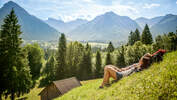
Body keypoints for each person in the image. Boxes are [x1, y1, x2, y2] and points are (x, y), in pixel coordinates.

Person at [99, 49, 166, 88]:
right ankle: (105, 84)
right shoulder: (139, 65)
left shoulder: (140, 67)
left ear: (143, 60)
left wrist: (122, 71)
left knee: (107, 68)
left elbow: (130, 74)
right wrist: (122, 69)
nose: (141, 58)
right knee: (108, 66)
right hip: (122, 72)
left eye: (142, 58)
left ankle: (104, 84)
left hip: (121, 76)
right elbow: (147, 55)